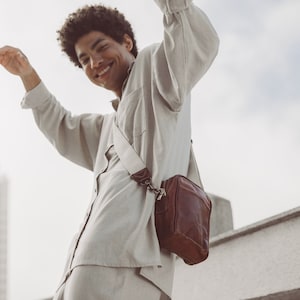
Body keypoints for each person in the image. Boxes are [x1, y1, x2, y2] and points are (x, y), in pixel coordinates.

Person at [0, 0, 219, 299]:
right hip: (88, 263)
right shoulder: (106, 128)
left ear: (127, 42)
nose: (94, 62)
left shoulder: (157, 69)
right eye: (84, 60)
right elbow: (61, 126)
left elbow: (191, 36)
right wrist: (27, 73)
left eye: (101, 47)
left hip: (123, 263)